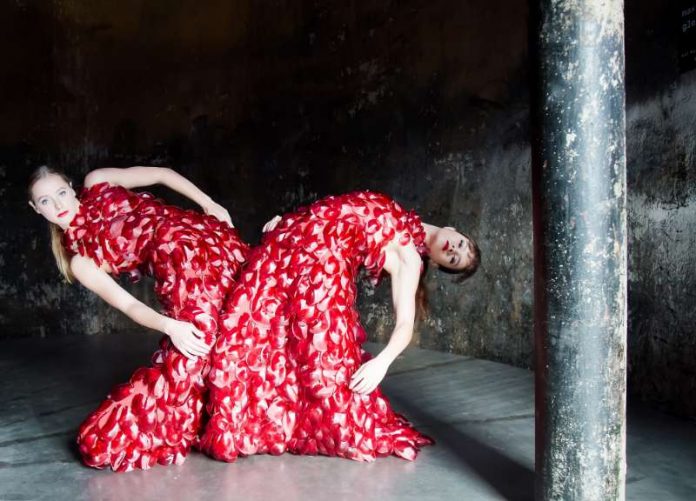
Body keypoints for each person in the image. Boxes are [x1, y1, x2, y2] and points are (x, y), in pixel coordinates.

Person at [200, 190, 480, 463]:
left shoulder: (410, 259)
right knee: (255, 326)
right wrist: (288, 223)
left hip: (323, 274)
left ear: (437, 262)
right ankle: (248, 415)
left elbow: (406, 323)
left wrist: (382, 362)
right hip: (297, 239)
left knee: (323, 371)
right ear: (453, 229)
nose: (454, 249)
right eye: (461, 244)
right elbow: (334, 213)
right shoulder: (401, 215)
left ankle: (262, 422)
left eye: (454, 260)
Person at [28, 165, 249, 472]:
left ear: (71, 186)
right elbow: (129, 306)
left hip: (206, 237)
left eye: (61, 193)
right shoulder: (81, 262)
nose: (59, 205)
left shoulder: (97, 182)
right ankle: (231, 419)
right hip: (183, 274)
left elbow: (163, 174)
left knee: (253, 311)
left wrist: (208, 203)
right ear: (36, 210)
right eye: (46, 202)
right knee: (198, 353)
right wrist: (170, 326)